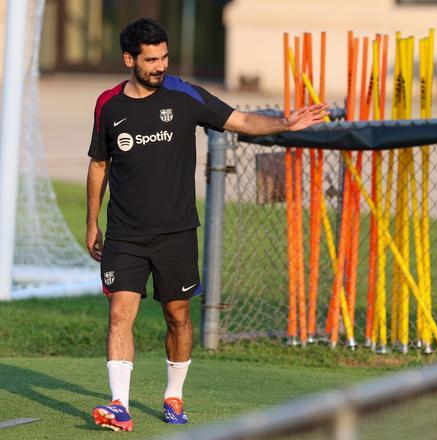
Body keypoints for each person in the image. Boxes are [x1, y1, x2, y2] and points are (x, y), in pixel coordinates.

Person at [86, 18, 327, 432]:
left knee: (178, 316)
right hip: (125, 233)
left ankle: (173, 396)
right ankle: (119, 405)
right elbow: (100, 163)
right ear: (130, 59)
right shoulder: (109, 105)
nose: (160, 66)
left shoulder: (185, 95)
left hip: (176, 233)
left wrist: (286, 124)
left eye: (164, 56)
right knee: (119, 314)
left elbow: (243, 121)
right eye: (151, 59)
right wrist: (92, 222)